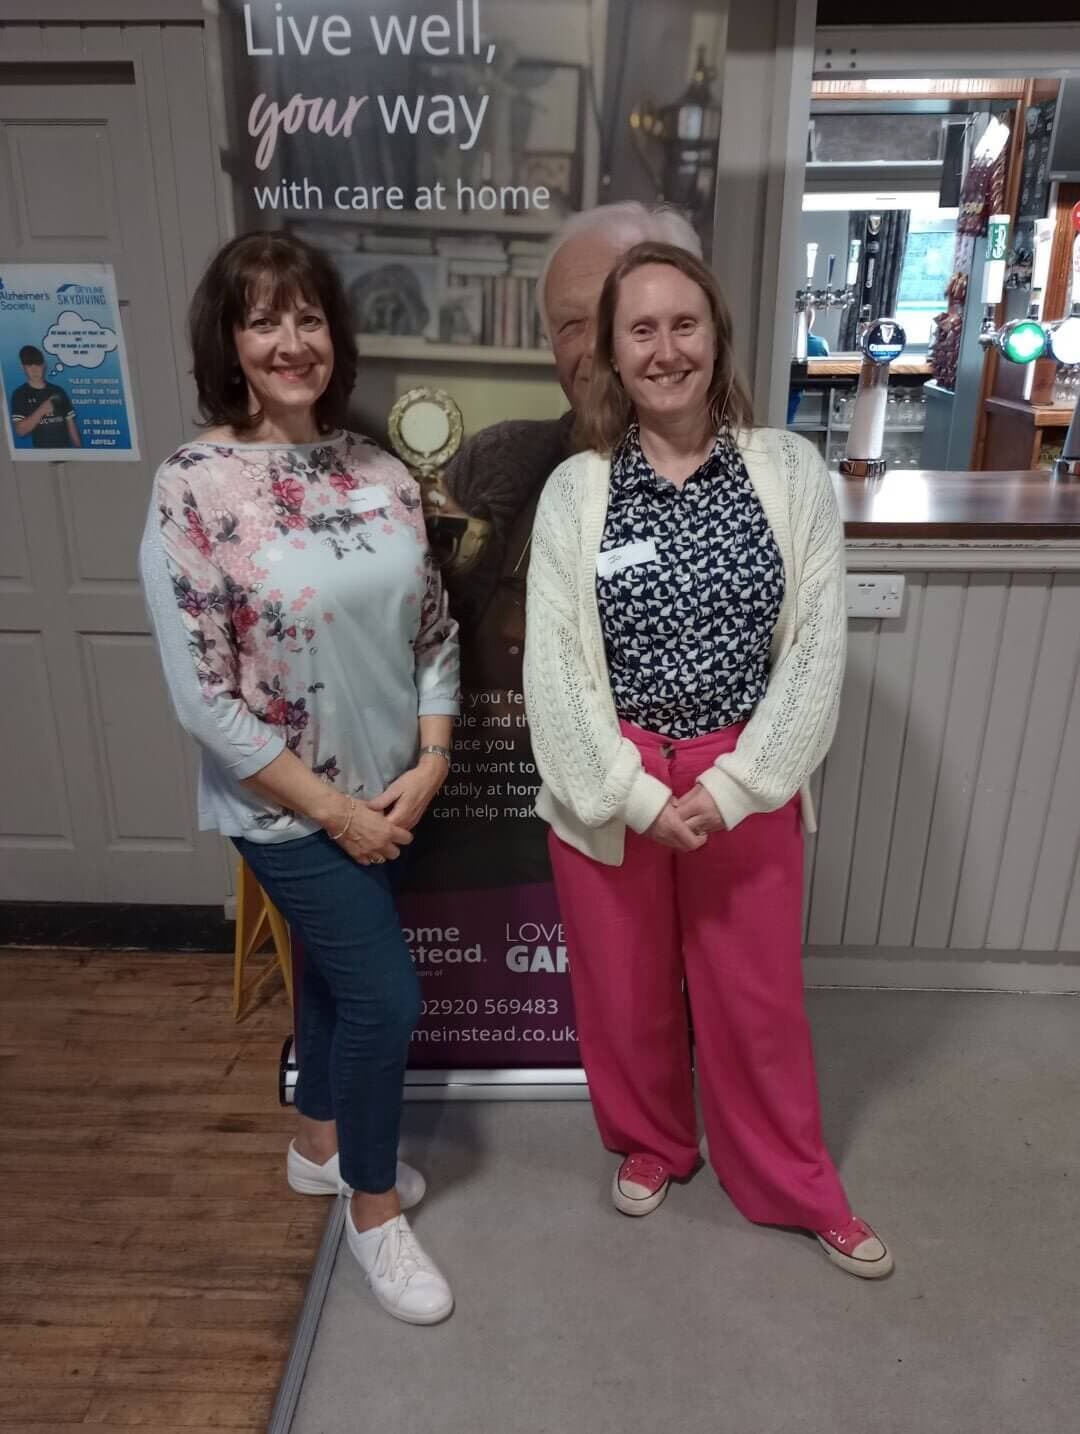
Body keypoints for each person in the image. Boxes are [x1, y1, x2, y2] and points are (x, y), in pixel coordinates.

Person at [523, 241, 893, 1280]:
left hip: (747, 777)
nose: (666, 348)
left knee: (758, 1000)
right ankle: (655, 1140)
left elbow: (818, 651)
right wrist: (637, 797)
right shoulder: (575, 492)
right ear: (612, 352)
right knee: (624, 987)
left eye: (684, 324)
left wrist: (730, 789)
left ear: (717, 337)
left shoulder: (788, 473)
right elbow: (554, 672)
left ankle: (792, 1179)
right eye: (641, 329)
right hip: (613, 784)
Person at [138, 232, 460, 1326]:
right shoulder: (196, 486)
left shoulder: (377, 471)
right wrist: (335, 814)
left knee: (334, 980)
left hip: (390, 795)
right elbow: (202, 694)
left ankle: (319, 1146)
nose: (292, 341)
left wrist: (434, 758)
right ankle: (373, 1212)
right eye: (265, 319)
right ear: (230, 341)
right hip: (286, 809)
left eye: (310, 316)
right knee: (385, 996)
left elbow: (433, 627)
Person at [406, 202, 702, 892]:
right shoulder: (496, 458)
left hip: (656, 822)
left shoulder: (738, 483)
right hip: (493, 819)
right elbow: (430, 626)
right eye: (572, 324)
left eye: (619, 311)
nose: (596, 346)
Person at [10, 344, 81, 449]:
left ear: (44, 365)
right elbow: (21, 431)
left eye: (38, 364)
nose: (34, 370)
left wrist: (79, 450)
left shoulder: (58, 391)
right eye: (29, 365)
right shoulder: (19, 394)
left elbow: (71, 426)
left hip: (66, 454)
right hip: (41, 458)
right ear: (23, 367)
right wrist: (42, 409)